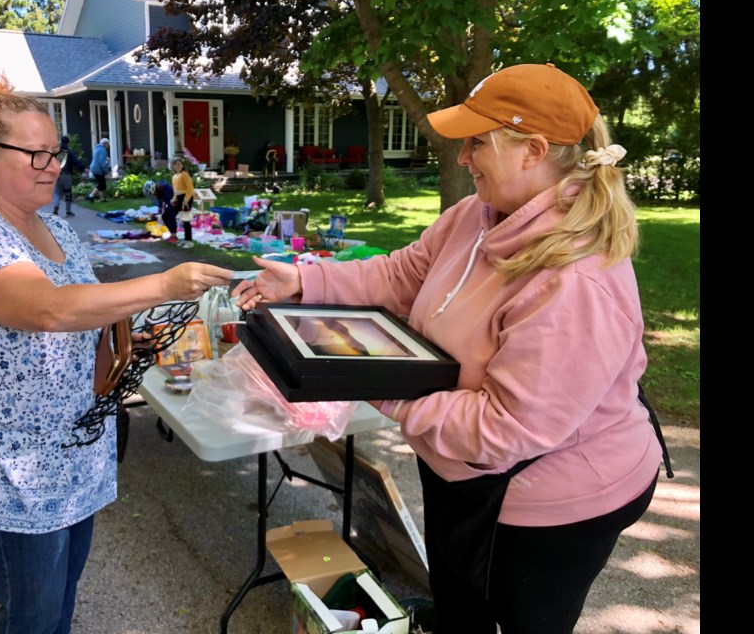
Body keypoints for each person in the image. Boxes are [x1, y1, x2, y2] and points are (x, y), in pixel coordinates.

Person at [233, 63, 663, 633]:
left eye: (477, 143)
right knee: (460, 605)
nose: (463, 157)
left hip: (550, 500)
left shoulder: (576, 280)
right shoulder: (476, 216)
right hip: (464, 470)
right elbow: (402, 273)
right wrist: (305, 282)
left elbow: (503, 429)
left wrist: (382, 391)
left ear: (533, 150)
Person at [0, 75, 233, 634]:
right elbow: (47, 310)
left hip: (74, 453)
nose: (52, 165)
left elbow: (78, 321)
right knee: (31, 616)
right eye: (35, 154)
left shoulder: (59, 228)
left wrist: (118, 344)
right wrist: (163, 285)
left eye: (56, 151)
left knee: (59, 601)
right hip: (9, 466)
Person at [52, 135, 86, 217]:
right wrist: (83, 169)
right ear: (68, 143)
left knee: (57, 192)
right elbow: (76, 161)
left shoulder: (55, 152)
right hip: (66, 174)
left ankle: (56, 206)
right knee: (68, 193)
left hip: (57, 174)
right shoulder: (68, 151)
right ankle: (68, 211)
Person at [170, 156, 195, 247]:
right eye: (175, 164)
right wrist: (174, 199)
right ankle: (183, 238)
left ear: (182, 165)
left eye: (179, 164)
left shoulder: (184, 174)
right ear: (173, 166)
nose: (177, 166)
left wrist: (186, 200)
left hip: (186, 198)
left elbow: (190, 187)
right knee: (177, 217)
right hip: (178, 198)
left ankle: (189, 240)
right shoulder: (174, 176)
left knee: (186, 218)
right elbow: (175, 190)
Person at [86, 137, 111, 202]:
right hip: (98, 169)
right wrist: (106, 171)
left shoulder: (97, 149)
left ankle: (103, 198)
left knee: (103, 184)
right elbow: (102, 162)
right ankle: (91, 196)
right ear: (105, 144)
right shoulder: (102, 150)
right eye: (108, 144)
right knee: (101, 184)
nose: (108, 146)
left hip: (94, 168)